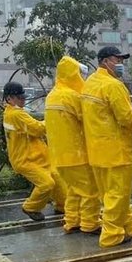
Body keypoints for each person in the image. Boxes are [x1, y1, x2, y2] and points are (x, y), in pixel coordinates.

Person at [81, 46, 132, 248]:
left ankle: (128, 226)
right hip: (116, 151)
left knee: (109, 194)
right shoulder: (113, 85)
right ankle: (111, 234)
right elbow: (126, 118)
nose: (120, 64)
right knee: (118, 194)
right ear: (104, 61)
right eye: (117, 60)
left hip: (96, 151)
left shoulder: (90, 84)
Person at [45, 56, 101, 235]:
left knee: (74, 190)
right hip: (75, 154)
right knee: (90, 190)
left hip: (58, 156)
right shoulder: (71, 96)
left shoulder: (52, 95)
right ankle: (90, 223)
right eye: (80, 74)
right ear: (73, 74)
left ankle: (72, 221)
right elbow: (88, 120)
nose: (82, 78)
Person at [2, 81, 65, 221]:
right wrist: (52, 119)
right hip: (26, 160)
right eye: (20, 98)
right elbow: (37, 129)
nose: (23, 100)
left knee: (57, 179)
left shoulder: (16, 112)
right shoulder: (15, 114)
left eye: (23, 97)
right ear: (9, 99)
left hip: (38, 157)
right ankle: (31, 207)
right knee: (47, 184)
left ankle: (62, 206)